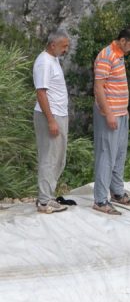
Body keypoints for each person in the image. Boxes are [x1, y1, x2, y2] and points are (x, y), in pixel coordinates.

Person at [92, 28, 130, 215]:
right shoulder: (106, 55)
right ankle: (100, 200)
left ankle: (117, 193)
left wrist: (123, 110)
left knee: (119, 153)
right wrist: (108, 113)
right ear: (122, 40)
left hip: (121, 113)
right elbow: (99, 87)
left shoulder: (119, 55)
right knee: (106, 154)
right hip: (108, 114)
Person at [32, 29, 70, 214]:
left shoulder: (53, 60)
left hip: (59, 115)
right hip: (50, 116)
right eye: (64, 46)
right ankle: (44, 201)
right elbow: (41, 92)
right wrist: (51, 121)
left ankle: (48, 195)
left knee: (58, 158)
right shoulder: (44, 62)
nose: (66, 50)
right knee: (49, 158)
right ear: (53, 45)